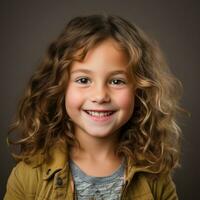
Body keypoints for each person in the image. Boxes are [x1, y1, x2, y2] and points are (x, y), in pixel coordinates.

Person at [4, 14, 183, 199]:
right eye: (83, 80)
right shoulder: (27, 176)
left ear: (139, 90)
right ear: (60, 87)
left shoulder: (156, 179)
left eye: (116, 81)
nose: (100, 96)